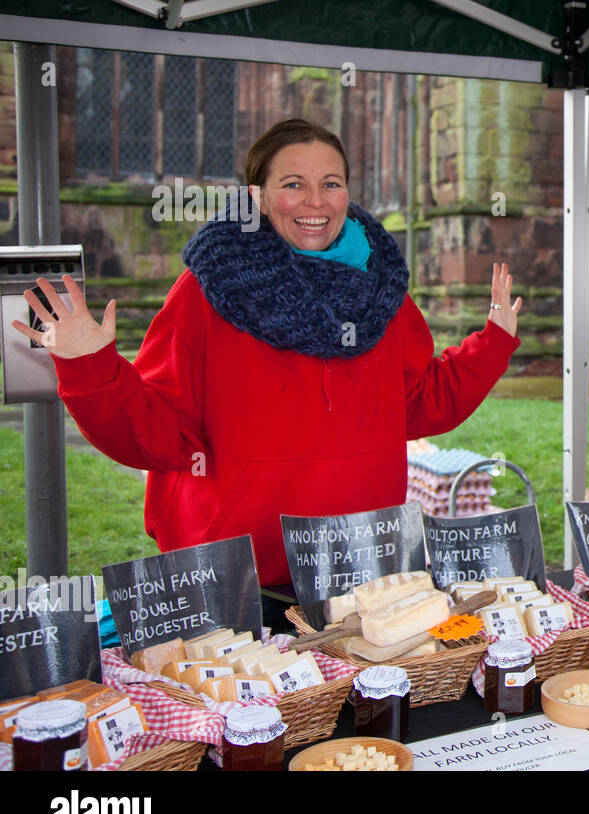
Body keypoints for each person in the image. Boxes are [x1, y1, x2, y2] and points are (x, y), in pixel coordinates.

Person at [13, 118, 521, 592]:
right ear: (257, 196)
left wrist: (492, 343)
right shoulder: (205, 290)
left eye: (332, 182)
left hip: (358, 564)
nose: (315, 201)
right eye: (293, 184)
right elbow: (160, 437)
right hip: (234, 574)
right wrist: (91, 367)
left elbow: (418, 402)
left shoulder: (383, 289)